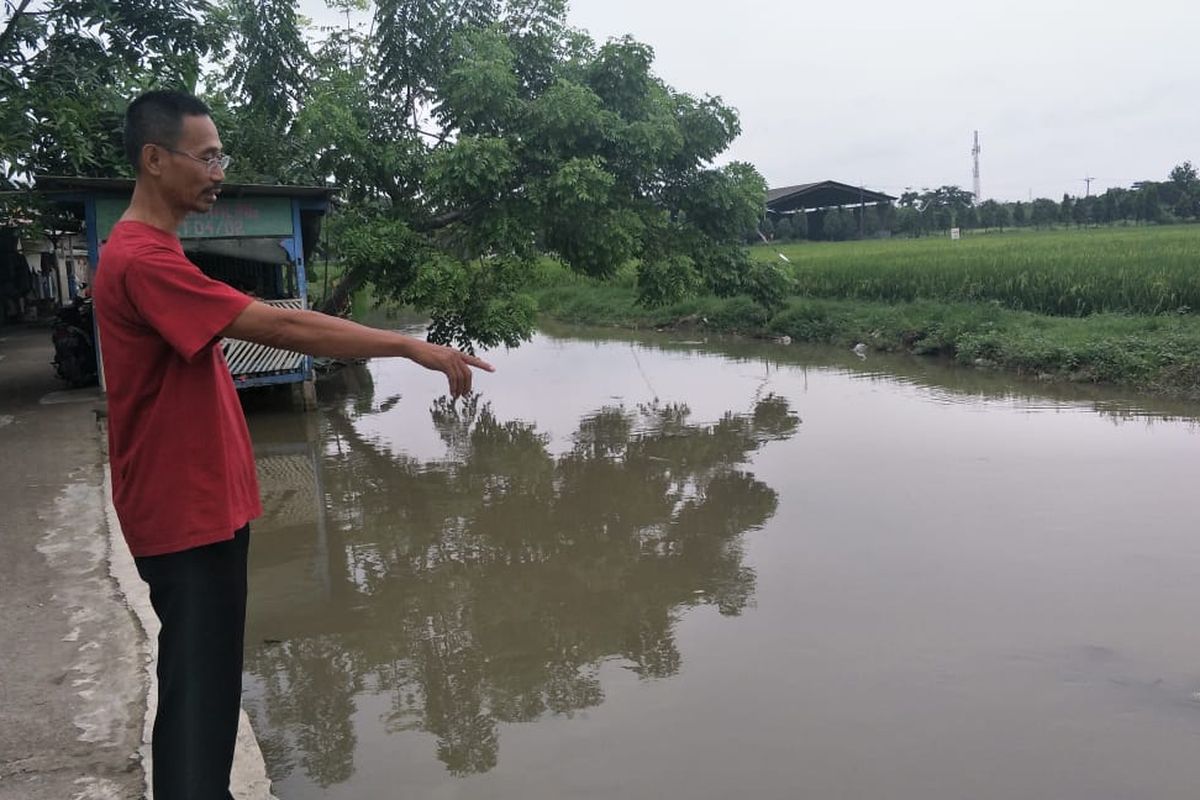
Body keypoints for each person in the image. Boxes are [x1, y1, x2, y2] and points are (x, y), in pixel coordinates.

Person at [92, 89, 494, 800]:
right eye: (207, 155)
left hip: (202, 505)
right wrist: (406, 345)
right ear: (156, 160)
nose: (219, 170)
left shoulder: (155, 251)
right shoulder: (143, 261)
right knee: (199, 694)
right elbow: (283, 329)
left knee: (205, 686)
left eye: (222, 155)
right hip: (183, 512)